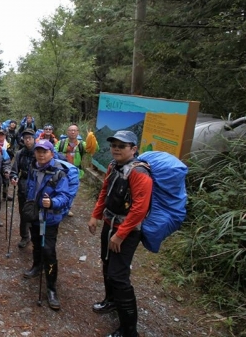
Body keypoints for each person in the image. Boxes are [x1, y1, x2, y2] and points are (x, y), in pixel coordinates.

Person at [88, 131, 151, 337]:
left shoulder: (139, 173)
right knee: (106, 263)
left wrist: (121, 234)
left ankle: (129, 330)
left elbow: (140, 208)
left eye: (121, 146)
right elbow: (105, 191)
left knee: (119, 275)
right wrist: (95, 216)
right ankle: (111, 301)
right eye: (114, 144)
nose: (116, 148)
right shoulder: (113, 166)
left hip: (127, 231)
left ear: (133, 149)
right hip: (109, 223)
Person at [23, 140, 73, 311]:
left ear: (52, 153)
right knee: (36, 243)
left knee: (49, 251)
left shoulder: (59, 172)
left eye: (44, 151)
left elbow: (65, 196)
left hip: (49, 218)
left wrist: (51, 202)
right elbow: (30, 187)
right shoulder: (33, 167)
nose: (41, 154)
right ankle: (37, 266)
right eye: (38, 151)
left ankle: (51, 288)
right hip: (35, 215)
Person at [55, 123, 98, 217]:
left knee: (71, 192)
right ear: (67, 132)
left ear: (78, 132)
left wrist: (91, 138)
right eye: (71, 130)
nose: (73, 132)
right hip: (61, 170)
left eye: (75, 130)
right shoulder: (61, 143)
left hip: (75, 172)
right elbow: (54, 152)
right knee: (60, 189)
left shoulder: (82, 144)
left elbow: (94, 149)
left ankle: (66, 209)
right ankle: (58, 207)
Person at [10, 129, 36, 248]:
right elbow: (14, 169)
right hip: (23, 183)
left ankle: (37, 236)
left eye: (30, 138)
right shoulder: (20, 153)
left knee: (36, 212)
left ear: (34, 138)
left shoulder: (39, 151)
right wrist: (14, 177)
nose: (28, 140)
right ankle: (24, 236)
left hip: (36, 184)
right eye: (25, 138)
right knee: (23, 212)